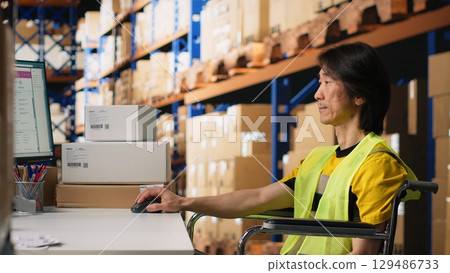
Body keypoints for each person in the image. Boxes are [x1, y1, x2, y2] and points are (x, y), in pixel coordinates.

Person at [135, 42, 417, 255]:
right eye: (319, 82)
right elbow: (256, 198)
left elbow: (363, 256)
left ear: (360, 95)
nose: (318, 93)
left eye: (328, 82)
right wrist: (182, 202)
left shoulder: (376, 164)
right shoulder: (320, 159)